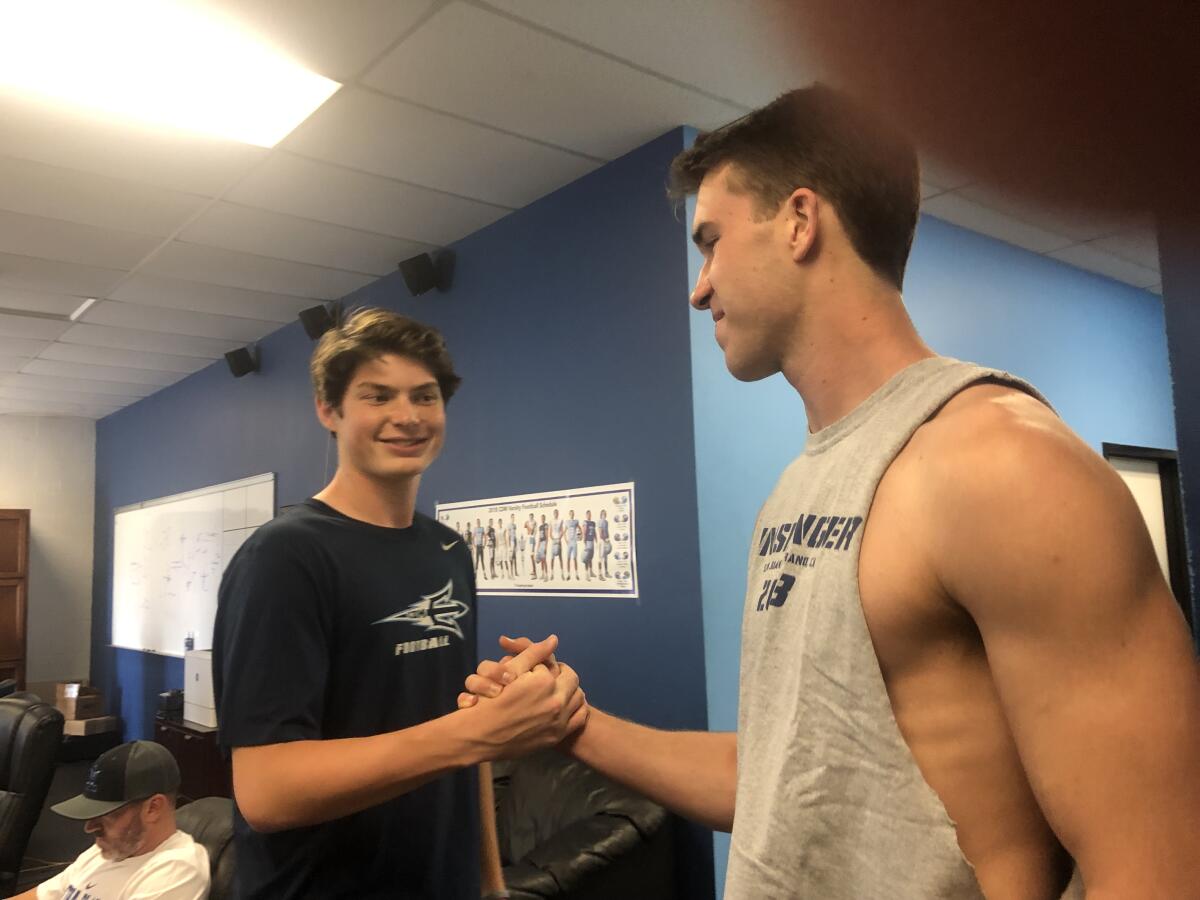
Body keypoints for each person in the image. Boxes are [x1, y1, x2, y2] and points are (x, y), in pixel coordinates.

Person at [462, 86, 1200, 899]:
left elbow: (1156, 866)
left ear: (799, 221)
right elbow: (783, 781)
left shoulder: (1000, 464)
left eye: (710, 243)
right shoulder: (801, 488)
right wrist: (574, 726)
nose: (698, 288)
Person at [213, 308, 585, 899]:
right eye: (378, 396)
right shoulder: (285, 556)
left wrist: (490, 885)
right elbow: (266, 792)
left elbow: (470, 738)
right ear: (329, 411)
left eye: (425, 396)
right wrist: (480, 732)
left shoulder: (449, 552)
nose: (407, 417)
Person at [19, 740, 209, 900]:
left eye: (107, 815)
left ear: (153, 808)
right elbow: (42, 895)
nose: (90, 827)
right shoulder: (107, 850)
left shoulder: (178, 869)